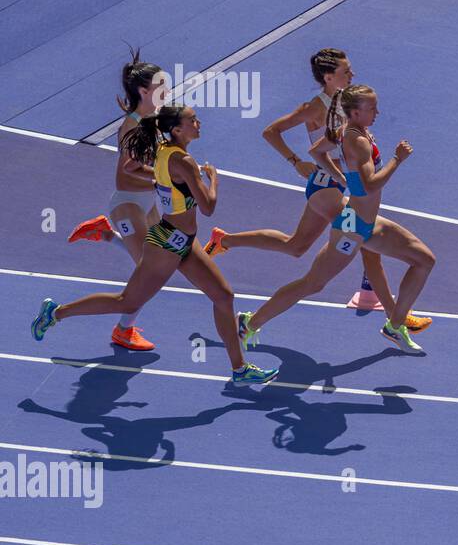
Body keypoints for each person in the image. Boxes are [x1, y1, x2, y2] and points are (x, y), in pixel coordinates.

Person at [33, 103, 279, 384]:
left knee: (224, 296)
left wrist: (162, 182)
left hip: (184, 240)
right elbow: (208, 207)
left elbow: (131, 166)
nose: (199, 123)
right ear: (176, 129)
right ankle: (56, 312)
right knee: (127, 302)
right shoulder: (184, 162)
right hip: (167, 243)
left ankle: (240, 369)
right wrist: (213, 180)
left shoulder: (165, 148)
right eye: (192, 120)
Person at [203, 48, 428, 333]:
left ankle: (225, 241)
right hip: (325, 187)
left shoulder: (348, 104)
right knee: (361, 243)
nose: (352, 74)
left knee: (298, 246)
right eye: (346, 72)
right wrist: (297, 162)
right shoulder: (315, 107)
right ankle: (396, 319)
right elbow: (271, 131)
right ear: (328, 76)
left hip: (341, 183)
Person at [235, 85, 435, 353]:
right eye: (372, 108)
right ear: (354, 112)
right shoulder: (357, 141)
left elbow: (317, 152)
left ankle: (395, 326)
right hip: (352, 227)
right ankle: (249, 322)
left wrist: (341, 177)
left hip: (366, 221)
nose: (377, 112)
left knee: (424, 260)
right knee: (313, 283)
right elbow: (369, 187)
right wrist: (396, 160)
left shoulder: (347, 132)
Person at [66, 49, 170, 350]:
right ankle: (122, 330)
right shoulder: (133, 126)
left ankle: (104, 234)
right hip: (127, 205)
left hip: (146, 204)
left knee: (157, 266)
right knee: (149, 273)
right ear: (144, 91)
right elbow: (125, 173)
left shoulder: (152, 121)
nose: (168, 91)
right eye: (162, 86)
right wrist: (160, 178)